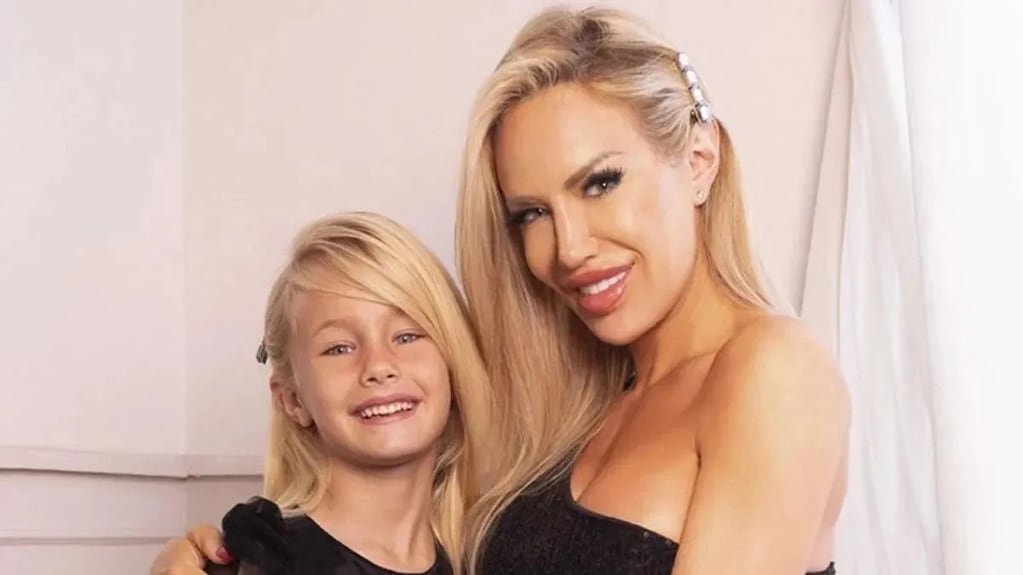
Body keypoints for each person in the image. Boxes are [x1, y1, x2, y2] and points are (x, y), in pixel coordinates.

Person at [152, 6, 849, 574]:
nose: (568, 247)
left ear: (698, 160)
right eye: (531, 214)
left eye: (600, 183)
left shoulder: (772, 371)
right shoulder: (576, 405)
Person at [150, 212, 492, 575]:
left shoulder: (486, 556)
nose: (379, 366)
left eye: (406, 336)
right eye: (339, 348)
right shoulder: (264, 562)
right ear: (292, 399)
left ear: (453, 367)